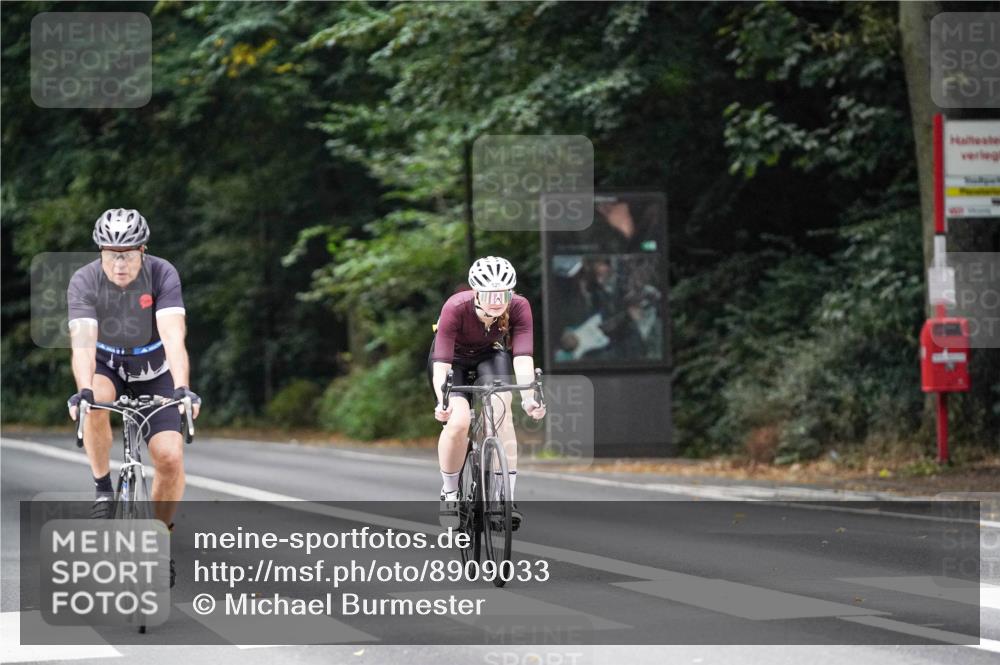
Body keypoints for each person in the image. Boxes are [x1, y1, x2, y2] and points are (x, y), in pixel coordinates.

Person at [66, 208, 201, 587]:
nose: (120, 262)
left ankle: (159, 541)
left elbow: (174, 335)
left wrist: (182, 388)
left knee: (170, 458)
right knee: (93, 403)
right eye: (111, 253)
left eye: (128, 253)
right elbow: (83, 344)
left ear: (144, 250)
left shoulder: (162, 274)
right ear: (100, 252)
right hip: (106, 366)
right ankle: (103, 491)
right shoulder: (85, 281)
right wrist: (84, 392)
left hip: (154, 373)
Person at [428, 256, 545, 530]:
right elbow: (442, 364)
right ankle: (449, 493)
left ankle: (505, 499)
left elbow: (523, 357)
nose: (496, 299)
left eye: (503, 293)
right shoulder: (455, 307)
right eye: (489, 293)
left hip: (489, 356)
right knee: (458, 423)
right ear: (476, 292)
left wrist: (529, 399)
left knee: (503, 411)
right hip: (452, 361)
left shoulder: (519, 307)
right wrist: (442, 401)